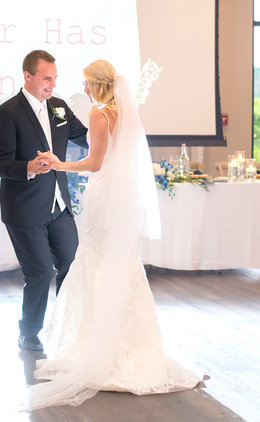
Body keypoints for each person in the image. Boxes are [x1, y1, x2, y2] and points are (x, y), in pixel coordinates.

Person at [28, 59, 201, 408]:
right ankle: (131, 344)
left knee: (96, 260)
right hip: (119, 195)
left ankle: (96, 346)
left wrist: (58, 163)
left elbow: (95, 163)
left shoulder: (99, 113)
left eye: (86, 83)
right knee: (118, 263)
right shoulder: (122, 110)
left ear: (97, 84)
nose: (84, 89)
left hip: (104, 195)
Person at [0, 50, 88, 352]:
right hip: (25, 209)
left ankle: (67, 327)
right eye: (47, 78)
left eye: (55, 78)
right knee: (41, 272)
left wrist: (112, 128)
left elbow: (84, 136)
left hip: (60, 207)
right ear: (28, 76)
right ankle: (29, 331)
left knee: (72, 265)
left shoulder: (58, 107)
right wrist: (29, 168)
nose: (52, 84)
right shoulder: (8, 113)